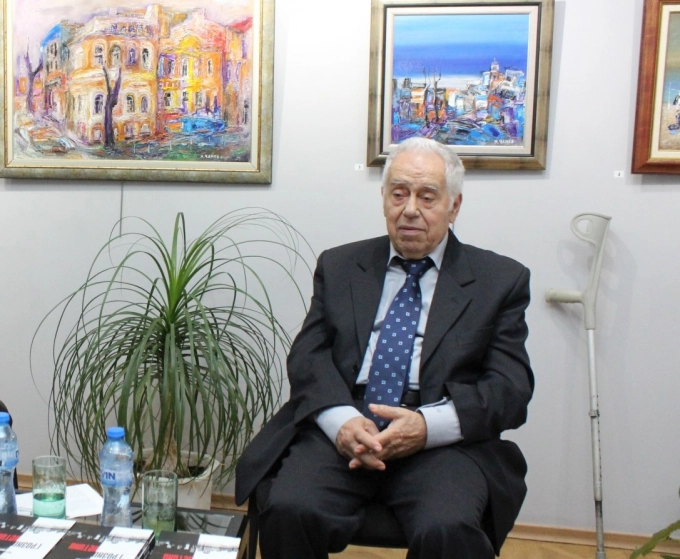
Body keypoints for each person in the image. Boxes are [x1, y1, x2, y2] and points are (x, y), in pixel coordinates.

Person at [234, 137, 534, 559]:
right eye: (399, 193)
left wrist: (426, 426)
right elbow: (308, 357)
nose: (410, 209)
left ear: (454, 206)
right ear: (383, 198)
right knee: (289, 508)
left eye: (427, 196)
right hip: (347, 424)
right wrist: (341, 422)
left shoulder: (498, 280)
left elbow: (509, 389)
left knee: (447, 528)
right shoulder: (341, 265)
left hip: (441, 440)